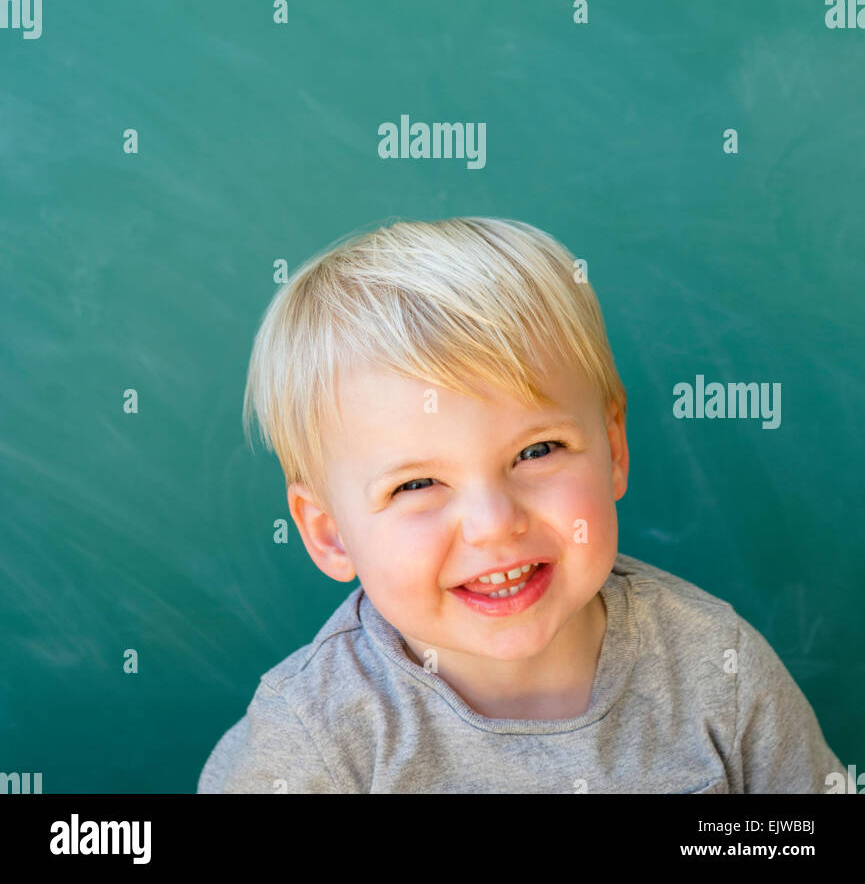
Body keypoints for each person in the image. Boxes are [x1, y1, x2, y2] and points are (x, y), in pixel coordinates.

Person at [197, 216, 845, 793]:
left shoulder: (718, 673)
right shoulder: (313, 738)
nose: (494, 523)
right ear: (330, 533)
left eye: (536, 451)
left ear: (612, 447)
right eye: (416, 485)